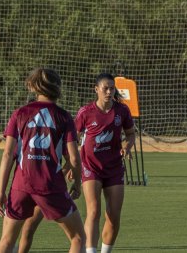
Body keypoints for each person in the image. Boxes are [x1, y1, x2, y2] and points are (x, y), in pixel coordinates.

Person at [0, 67, 85, 253]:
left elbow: (7, 155)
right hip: (50, 186)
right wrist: (77, 182)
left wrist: (1, 193)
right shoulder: (63, 117)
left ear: (34, 86)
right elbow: (74, 159)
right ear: (57, 87)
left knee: (6, 242)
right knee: (78, 238)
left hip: (21, 186)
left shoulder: (19, 114)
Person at [74, 73, 136, 253]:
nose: (109, 92)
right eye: (105, 88)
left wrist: (127, 146)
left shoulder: (122, 111)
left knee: (114, 216)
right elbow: (73, 139)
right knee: (93, 212)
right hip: (91, 167)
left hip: (114, 168)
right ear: (96, 90)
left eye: (112, 88)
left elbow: (131, 134)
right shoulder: (85, 112)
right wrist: (72, 164)